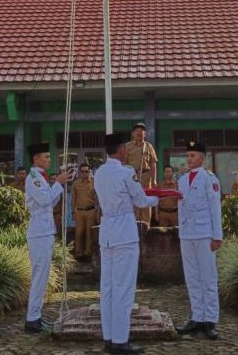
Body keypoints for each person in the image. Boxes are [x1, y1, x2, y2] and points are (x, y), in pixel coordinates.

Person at [96, 132, 160, 354]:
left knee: (107, 288)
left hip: (106, 233)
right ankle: (121, 340)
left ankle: (109, 337)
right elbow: (141, 200)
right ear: (121, 150)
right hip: (124, 232)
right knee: (123, 287)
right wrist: (158, 197)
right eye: (125, 147)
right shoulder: (126, 172)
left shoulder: (99, 172)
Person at [176, 140, 222, 341]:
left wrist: (217, 236)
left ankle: (210, 321)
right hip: (187, 234)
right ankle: (197, 318)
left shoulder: (209, 179)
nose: (189, 159)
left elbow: (215, 208)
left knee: (208, 278)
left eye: (192, 155)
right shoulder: (182, 180)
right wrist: (181, 232)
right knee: (192, 278)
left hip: (204, 234)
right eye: (187, 155)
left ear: (202, 158)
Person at [24, 143, 70, 334]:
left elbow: (51, 201)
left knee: (42, 277)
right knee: (39, 277)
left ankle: (35, 316)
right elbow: (45, 200)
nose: (50, 160)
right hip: (39, 232)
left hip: (45, 231)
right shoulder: (33, 177)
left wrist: (58, 185)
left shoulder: (41, 178)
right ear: (36, 158)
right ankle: (32, 318)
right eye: (46, 156)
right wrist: (58, 182)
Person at [125, 123, 158, 226]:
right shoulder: (128, 146)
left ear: (145, 134)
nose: (139, 133)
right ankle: (134, 231)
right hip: (132, 177)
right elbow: (124, 164)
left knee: (146, 203)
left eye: (142, 131)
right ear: (133, 134)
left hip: (146, 177)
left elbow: (153, 164)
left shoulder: (149, 146)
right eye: (137, 131)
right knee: (133, 204)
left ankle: (146, 227)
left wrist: (154, 180)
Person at [72, 163, 97, 260]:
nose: (84, 173)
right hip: (79, 212)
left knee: (89, 233)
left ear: (89, 172)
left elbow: (98, 197)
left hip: (91, 211)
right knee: (79, 233)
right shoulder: (75, 184)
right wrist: (73, 212)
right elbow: (73, 199)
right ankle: (78, 254)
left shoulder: (94, 183)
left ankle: (88, 254)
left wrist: (98, 210)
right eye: (82, 171)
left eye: (86, 171)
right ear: (79, 172)